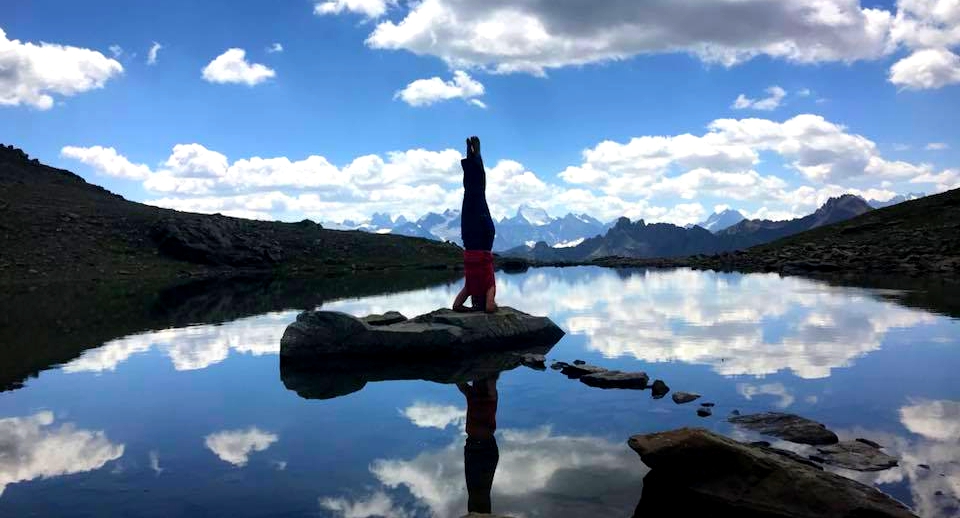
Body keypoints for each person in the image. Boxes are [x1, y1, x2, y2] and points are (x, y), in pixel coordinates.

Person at [453, 136, 498, 313]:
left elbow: (489, 307)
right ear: (472, 300)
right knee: (470, 195)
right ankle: (471, 156)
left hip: (484, 239)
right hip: (469, 242)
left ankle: (475, 156)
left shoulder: (488, 289)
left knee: (478, 193)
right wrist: (469, 310)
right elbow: (456, 306)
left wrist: (491, 305)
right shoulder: (469, 289)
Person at [457, 375, 500, 514]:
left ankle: (480, 514)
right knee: (475, 491)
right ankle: (477, 514)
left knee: (480, 491)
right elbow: (460, 383)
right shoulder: (473, 394)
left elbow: (492, 381)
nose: (475, 383)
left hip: (485, 448)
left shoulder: (490, 396)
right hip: (474, 447)